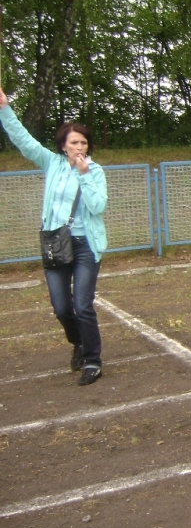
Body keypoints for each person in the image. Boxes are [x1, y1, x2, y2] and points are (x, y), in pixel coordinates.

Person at [0, 87, 107, 386]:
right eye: (74, 142)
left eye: (84, 142)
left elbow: (98, 206)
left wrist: (84, 175)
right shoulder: (52, 163)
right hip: (56, 243)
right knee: (62, 307)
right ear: (63, 145)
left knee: (83, 305)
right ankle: (79, 343)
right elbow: (22, 139)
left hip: (86, 244)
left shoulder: (95, 171)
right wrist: (4, 108)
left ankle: (93, 360)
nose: (80, 147)